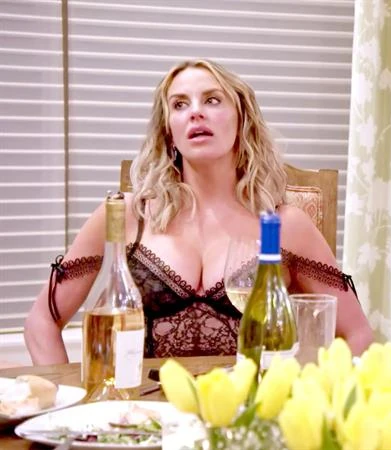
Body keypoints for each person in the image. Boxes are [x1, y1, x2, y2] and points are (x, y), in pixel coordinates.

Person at [25, 59, 373, 365]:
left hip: (247, 412)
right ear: (169, 131)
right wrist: (63, 400)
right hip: (145, 413)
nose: (195, 112)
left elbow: (357, 334)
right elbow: (41, 322)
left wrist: (312, 400)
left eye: (212, 100)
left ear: (242, 119)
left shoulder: (283, 226)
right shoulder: (127, 215)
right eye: (179, 104)